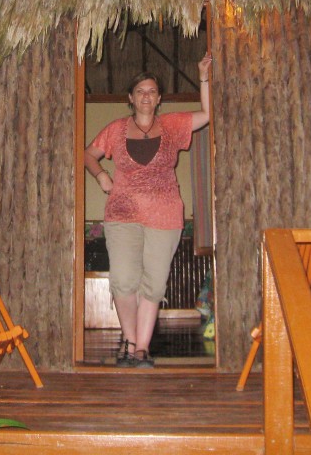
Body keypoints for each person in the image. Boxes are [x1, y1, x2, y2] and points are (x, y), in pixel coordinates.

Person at [83, 52, 213, 368]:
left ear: (158, 99)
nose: (146, 96)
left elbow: (209, 114)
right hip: (122, 213)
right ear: (131, 98)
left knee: (154, 284)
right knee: (124, 281)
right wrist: (101, 175)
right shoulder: (115, 129)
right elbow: (88, 154)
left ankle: (141, 349)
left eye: (152, 92)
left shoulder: (172, 125)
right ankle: (129, 340)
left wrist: (203, 77)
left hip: (165, 215)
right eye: (140, 91)